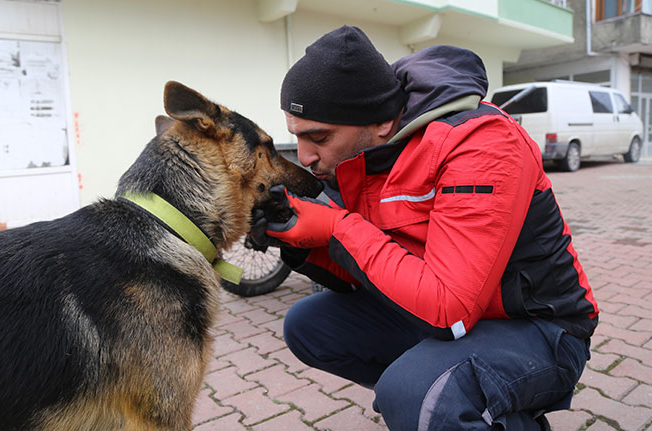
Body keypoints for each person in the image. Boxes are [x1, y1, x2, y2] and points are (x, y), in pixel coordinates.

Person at [255, 25, 598, 431]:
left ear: (381, 121)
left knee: (417, 391)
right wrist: (305, 248)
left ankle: (456, 404)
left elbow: (449, 311)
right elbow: (380, 274)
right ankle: (462, 405)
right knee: (308, 326)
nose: (307, 157)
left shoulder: (480, 143)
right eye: (298, 137)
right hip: (454, 315)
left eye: (319, 137)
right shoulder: (364, 156)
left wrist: (336, 227)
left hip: (538, 327)